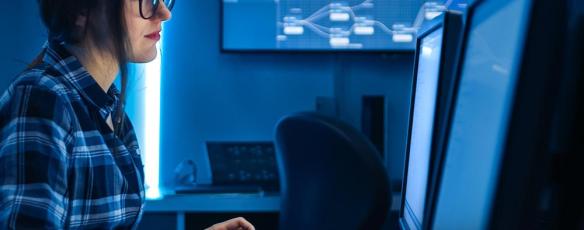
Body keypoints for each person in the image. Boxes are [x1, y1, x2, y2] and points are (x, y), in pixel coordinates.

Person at [0, 0, 254, 229]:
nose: (165, 14)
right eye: (147, 2)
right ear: (80, 11)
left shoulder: (110, 112)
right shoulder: (42, 99)